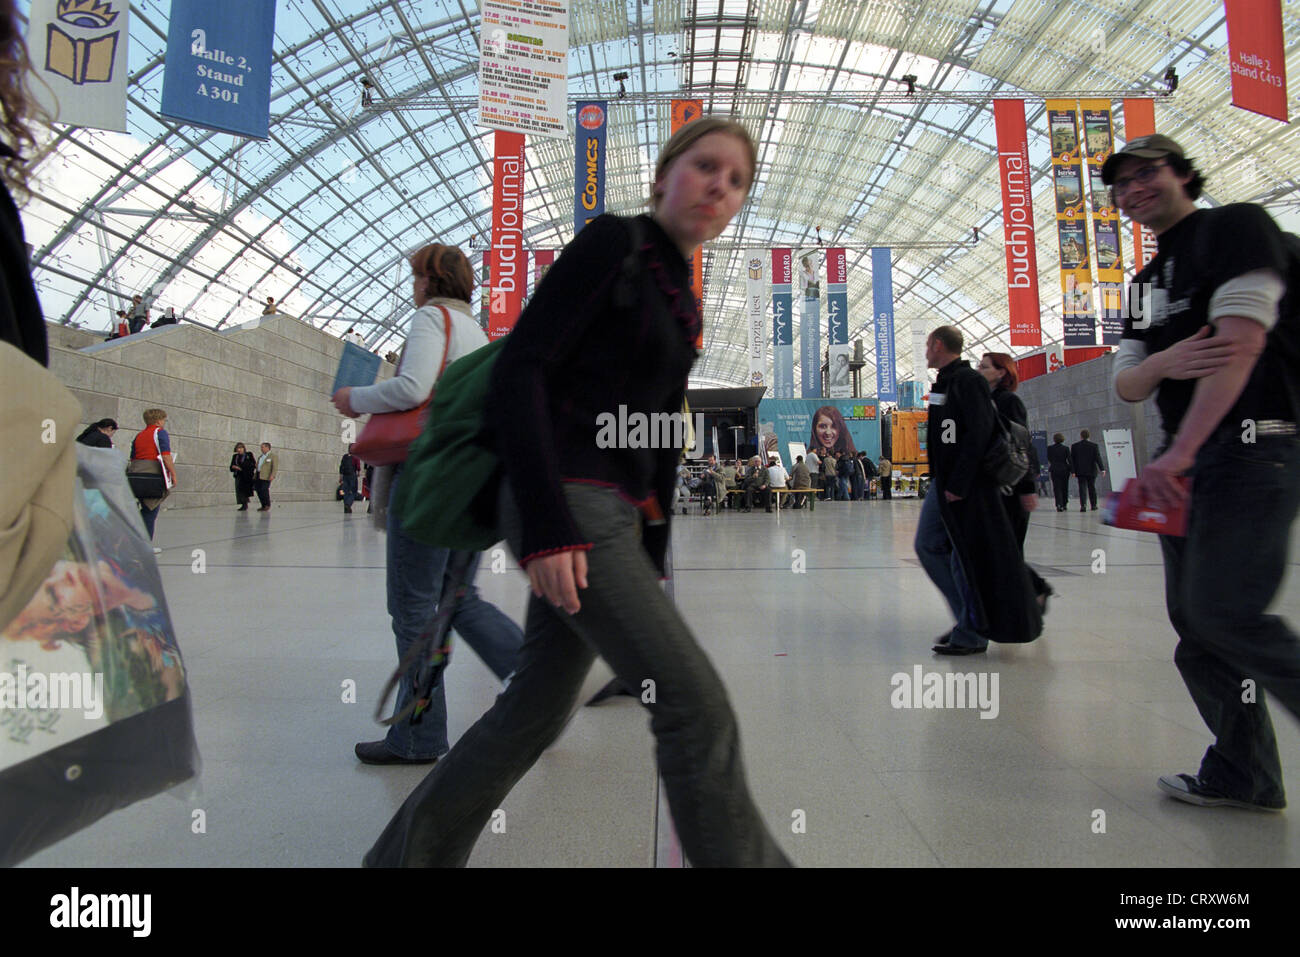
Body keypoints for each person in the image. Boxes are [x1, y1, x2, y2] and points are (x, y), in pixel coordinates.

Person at [365, 117, 791, 867]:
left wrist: (655, 554)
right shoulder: (612, 245)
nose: (720, 185)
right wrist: (546, 527)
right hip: (570, 505)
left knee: (534, 709)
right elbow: (520, 369)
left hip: (614, 519)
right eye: (705, 165)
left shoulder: (681, 302)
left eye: (737, 180)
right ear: (664, 177)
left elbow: (658, 437)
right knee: (694, 707)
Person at [1107, 134, 1300, 811]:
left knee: (1225, 611)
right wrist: (1163, 363)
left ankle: (1243, 770)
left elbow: (1240, 344)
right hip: (1185, 468)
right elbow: (1127, 382)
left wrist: (1180, 453)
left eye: (1146, 174)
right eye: (1121, 185)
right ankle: (1241, 771)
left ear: (1184, 173)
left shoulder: (1236, 228)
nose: (1133, 190)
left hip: (1252, 448)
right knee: (1198, 624)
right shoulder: (1144, 284)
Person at [333, 242, 524, 767]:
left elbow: (412, 387)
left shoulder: (430, 319)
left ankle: (418, 737)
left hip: (427, 477)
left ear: (431, 278)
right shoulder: (475, 330)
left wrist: (355, 399)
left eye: (416, 274)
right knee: (455, 598)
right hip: (467, 480)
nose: (411, 283)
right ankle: (534, 681)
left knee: (414, 607)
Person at [914, 326, 1041, 656]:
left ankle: (971, 628)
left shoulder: (967, 381)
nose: (926, 351)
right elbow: (949, 434)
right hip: (946, 481)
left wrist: (959, 481)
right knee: (933, 546)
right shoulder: (944, 382)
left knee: (959, 555)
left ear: (939, 344)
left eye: (928, 344)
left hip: (962, 485)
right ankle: (968, 622)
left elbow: (980, 430)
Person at [978, 352, 1053, 612]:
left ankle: (1033, 591)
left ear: (1002, 373)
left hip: (1010, 487)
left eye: (984, 366)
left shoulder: (1008, 402)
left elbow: (1021, 446)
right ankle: (1020, 599)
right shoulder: (984, 401)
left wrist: (1027, 488)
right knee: (998, 549)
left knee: (1006, 549)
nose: (978, 369)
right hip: (992, 487)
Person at [127, 408, 177, 542]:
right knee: (151, 510)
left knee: (143, 507)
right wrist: (173, 474)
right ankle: (145, 543)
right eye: (164, 420)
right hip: (152, 475)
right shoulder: (160, 433)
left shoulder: (139, 435)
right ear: (159, 420)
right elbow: (166, 456)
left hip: (136, 475)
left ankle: (136, 539)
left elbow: (133, 457)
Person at [1069, 429, 1106, 512]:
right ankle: (1093, 505)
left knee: (1082, 488)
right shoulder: (1094, 446)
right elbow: (1098, 458)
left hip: (1080, 471)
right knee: (1092, 487)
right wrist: (1102, 469)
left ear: (1081, 436)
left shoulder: (1075, 446)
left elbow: (1072, 460)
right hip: (1091, 471)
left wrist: (1073, 471)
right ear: (1089, 436)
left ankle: (1083, 505)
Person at [1046, 433, 1072, 511]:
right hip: (1064, 469)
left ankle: (1059, 504)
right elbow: (1070, 460)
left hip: (1054, 469)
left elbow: (1049, 458)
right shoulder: (1066, 448)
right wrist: (1072, 470)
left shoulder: (1049, 448)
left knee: (1057, 488)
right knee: (1064, 487)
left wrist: (1054, 463)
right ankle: (1064, 503)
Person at [229, 442, 256, 510]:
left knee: (245, 489)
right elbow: (231, 466)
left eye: (241, 448)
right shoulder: (235, 456)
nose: (239, 450)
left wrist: (242, 467)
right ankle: (243, 503)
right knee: (239, 489)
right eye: (238, 448)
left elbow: (253, 464)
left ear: (244, 448)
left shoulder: (248, 455)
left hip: (246, 475)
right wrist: (234, 467)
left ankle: (245, 503)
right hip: (238, 475)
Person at [254, 442, 277, 511]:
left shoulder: (273, 456)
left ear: (267, 448)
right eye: (261, 447)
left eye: (263, 447)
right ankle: (263, 505)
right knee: (258, 490)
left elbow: (274, 467)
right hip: (258, 475)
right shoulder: (260, 457)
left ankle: (267, 504)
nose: (261, 449)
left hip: (266, 476)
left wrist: (272, 475)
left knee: (264, 490)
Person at [339, 444, 360, 514]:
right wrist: (358, 473)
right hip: (352, 475)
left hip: (345, 476)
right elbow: (358, 467)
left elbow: (341, 467)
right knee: (354, 491)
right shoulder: (356, 457)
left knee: (346, 491)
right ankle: (348, 504)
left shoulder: (345, 456)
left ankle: (346, 507)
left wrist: (341, 477)